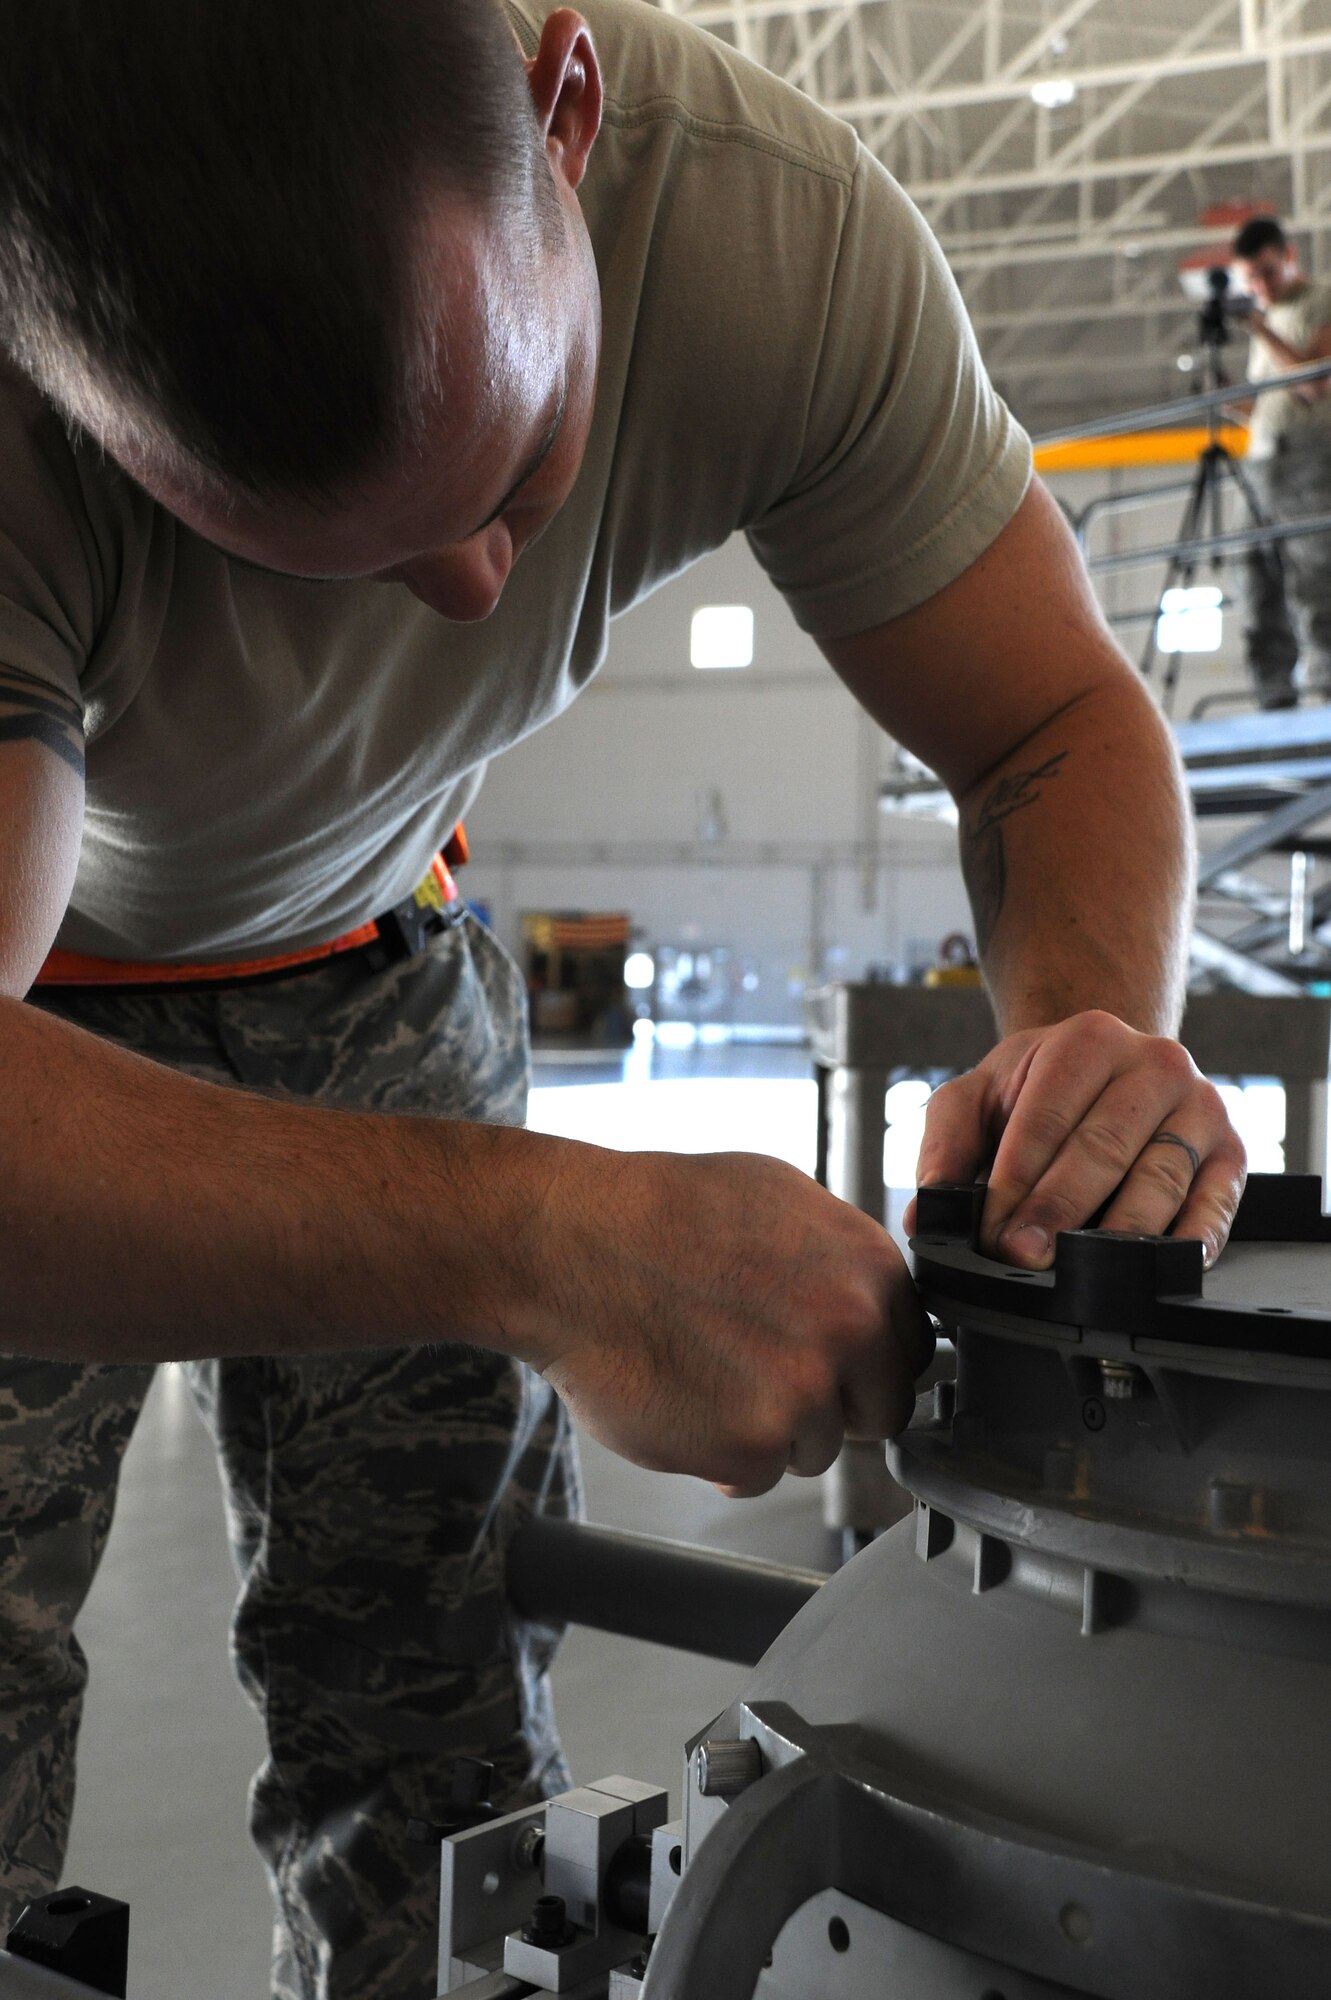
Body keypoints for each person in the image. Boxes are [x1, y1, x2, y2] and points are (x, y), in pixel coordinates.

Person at [0, 3, 1245, 1996]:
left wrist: (1084, 1037)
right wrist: (549, 1242)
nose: (479, 590)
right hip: (40, 1017)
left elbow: (1044, 725)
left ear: (562, 114)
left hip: (385, 961)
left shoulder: (762, 245)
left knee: (433, 1720)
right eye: (345, 554)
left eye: (513, 465)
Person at [1231, 214, 1331, 707]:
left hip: (1310, 464)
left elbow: (1315, 385)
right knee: (1255, 581)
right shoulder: (1266, 321)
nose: (1260, 285)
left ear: (1290, 257)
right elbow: (1269, 406)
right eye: (1251, 277)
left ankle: (1328, 700)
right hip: (1261, 464)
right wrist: (1226, 399)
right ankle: (1273, 703)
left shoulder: (1320, 301)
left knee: (1316, 584)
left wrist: (1263, 331)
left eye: (1268, 272)